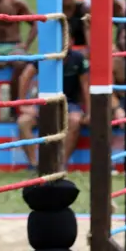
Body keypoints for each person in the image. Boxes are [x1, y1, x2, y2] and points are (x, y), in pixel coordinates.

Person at [16, 40, 90, 171]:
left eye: (66, 39)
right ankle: (34, 165)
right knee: (23, 122)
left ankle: (60, 164)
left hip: (69, 104)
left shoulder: (77, 58)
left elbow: (85, 86)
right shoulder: (44, 56)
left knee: (75, 121)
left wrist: (89, 113)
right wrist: (23, 104)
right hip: (44, 103)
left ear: (72, 41)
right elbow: (24, 76)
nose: (63, 43)